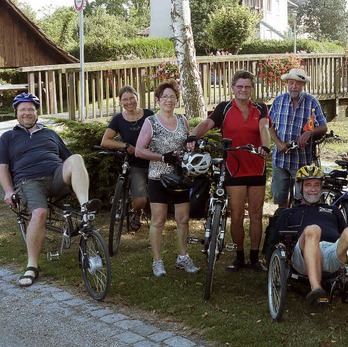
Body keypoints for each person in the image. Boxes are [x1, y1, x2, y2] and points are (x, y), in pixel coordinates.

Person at [0, 92, 101, 287]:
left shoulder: (50, 133)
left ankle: (85, 208)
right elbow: (2, 167)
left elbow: (68, 161)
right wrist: (8, 190)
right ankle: (32, 265)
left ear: (37, 112)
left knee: (77, 158)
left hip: (55, 176)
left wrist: (74, 183)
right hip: (28, 181)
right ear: (16, 113)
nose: (27, 113)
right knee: (39, 213)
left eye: (31, 109)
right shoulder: (8, 137)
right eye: (23, 109)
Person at [190, 70, 271, 272]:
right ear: (233, 88)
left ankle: (254, 257)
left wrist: (266, 147)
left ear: (252, 89)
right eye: (239, 86)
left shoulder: (260, 108)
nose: (243, 90)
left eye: (247, 86)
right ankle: (239, 256)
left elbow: (264, 129)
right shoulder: (224, 108)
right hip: (234, 168)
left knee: (255, 213)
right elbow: (208, 123)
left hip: (256, 166)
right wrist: (192, 136)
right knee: (235, 214)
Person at [274, 165, 348, 304]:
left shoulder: (333, 210)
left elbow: (343, 235)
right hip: (303, 254)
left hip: (331, 251)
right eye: (308, 185)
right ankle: (316, 289)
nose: (313, 189)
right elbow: (276, 241)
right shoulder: (289, 212)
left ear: (321, 187)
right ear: (301, 187)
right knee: (313, 230)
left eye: (317, 185)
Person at [135, 80, 199, 277]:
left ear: (176, 100)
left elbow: (188, 142)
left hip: (179, 177)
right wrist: (162, 157)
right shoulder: (151, 122)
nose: (169, 100)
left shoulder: (183, 120)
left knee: (183, 218)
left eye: (172, 97)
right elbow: (139, 150)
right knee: (159, 220)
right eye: (165, 97)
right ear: (158, 100)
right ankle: (157, 261)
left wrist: (190, 147)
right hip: (158, 177)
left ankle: (183, 257)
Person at [268, 68, 328, 208]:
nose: (294, 86)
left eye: (298, 83)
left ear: (303, 85)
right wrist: (278, 143)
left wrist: (309, 133)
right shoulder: (279, 101)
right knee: (280, 197)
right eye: (291, 83)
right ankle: (283, 221)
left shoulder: (312, 102)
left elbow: (324, 127)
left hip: (302, 159)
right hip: (280, 158)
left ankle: (300, 224)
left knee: (302, 199)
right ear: (287, 84)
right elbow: (269, 125)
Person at [100, 85, 154, 231]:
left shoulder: (149, 114)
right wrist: (126, 146)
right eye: (125, 99)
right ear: (120, 102)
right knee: (140, 200)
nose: (129, 102)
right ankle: (137, 211)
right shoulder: (118, 119)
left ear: (137, 98)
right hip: (136, 163)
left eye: (132, 98)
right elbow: (105, 141)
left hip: (153, 160)